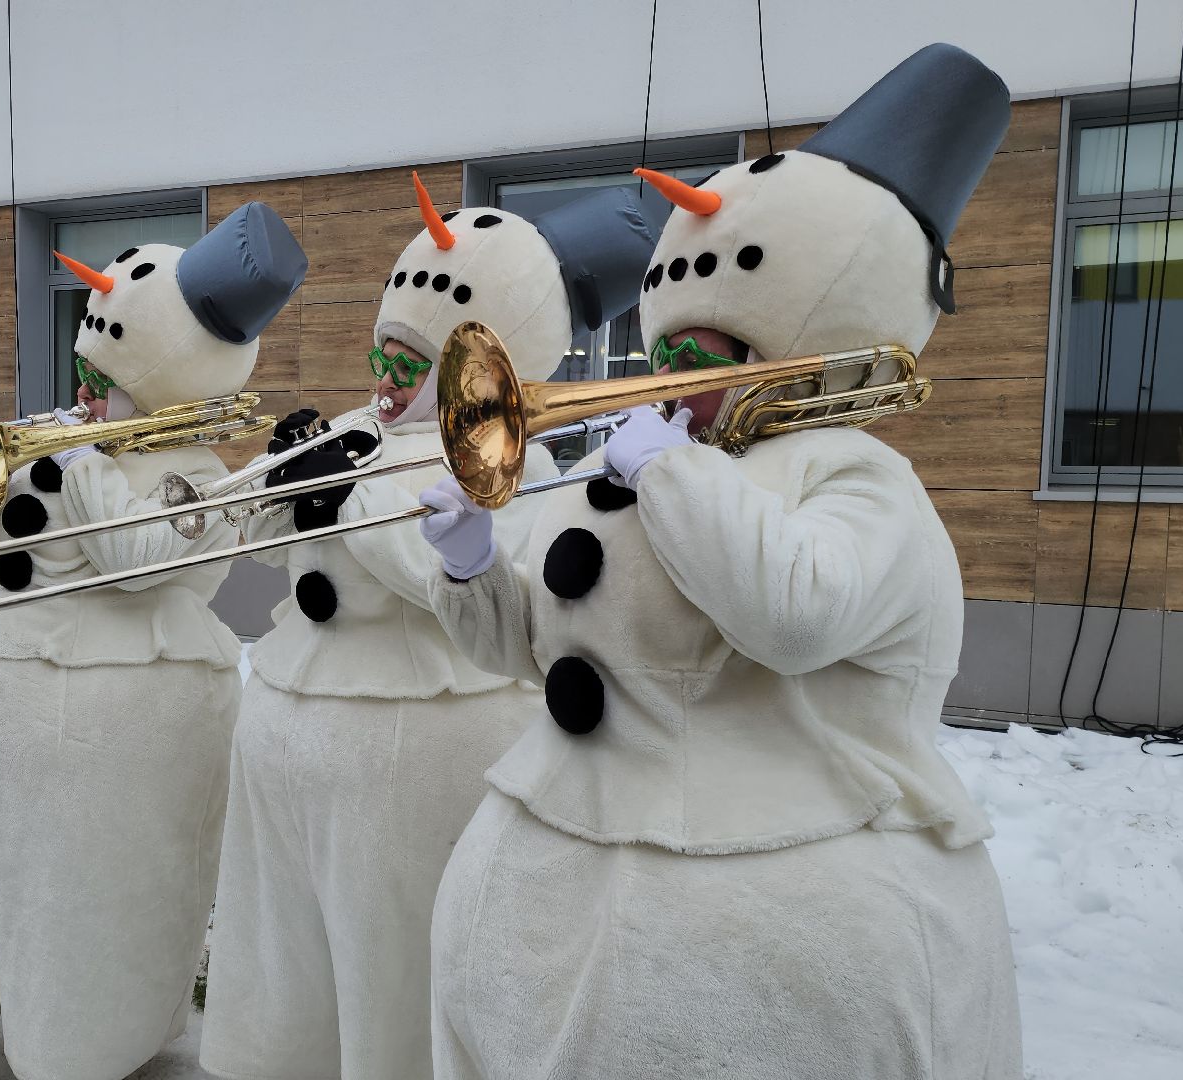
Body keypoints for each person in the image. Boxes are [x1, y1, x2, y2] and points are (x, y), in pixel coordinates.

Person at [416, 44, 1024, 1079]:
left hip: (773, 911)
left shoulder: (856, 478)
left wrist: (672, 478)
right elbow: (540, 651)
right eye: (673, 352)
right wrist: (470, 564)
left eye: (708, 358)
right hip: (554, 871)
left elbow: (792, 615)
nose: (676, 379)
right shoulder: (654, 464)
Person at [200, 175, 656, 1080]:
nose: (385, 382)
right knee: (283, 957)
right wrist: (282, 479)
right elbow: (235, 539)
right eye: (385, 357)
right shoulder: (351, 432)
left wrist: (348, 493)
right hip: (289, 727)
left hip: (409, 745)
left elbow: (453, 577)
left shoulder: (507, 462)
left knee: (388, 965)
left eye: (412, 367)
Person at [0, 202, 306, 1080]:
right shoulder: (56, 439)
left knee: (72, 897)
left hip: (102, 704)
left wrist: (88, 463)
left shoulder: (204, 474)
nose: (83, 388)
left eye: (102, 375)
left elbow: (137, 564)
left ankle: (74, 1049)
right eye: (83, 366)